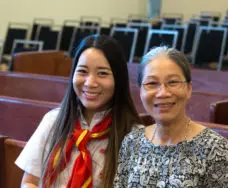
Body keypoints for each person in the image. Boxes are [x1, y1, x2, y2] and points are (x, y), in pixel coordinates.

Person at [15, 34, 141, 188]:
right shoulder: (53, 121)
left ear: (118, 79)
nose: (90, 83)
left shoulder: (135, 137)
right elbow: (29, 182)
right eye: (82, 71)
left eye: (102, 73)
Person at [113, 46, 228, 187]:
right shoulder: (131, 142)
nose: (163, 93)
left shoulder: (215, 149)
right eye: (152, 83)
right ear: (141, 90)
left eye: (173, 82)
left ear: (189, 89)